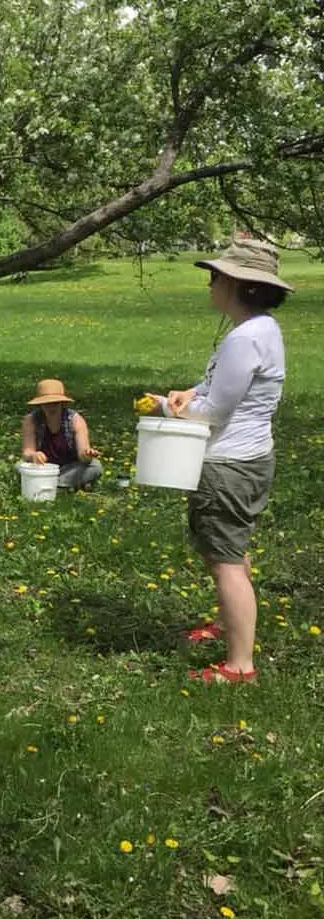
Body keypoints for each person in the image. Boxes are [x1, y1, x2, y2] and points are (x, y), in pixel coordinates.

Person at [147, 239, 291, 684]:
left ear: (240, 285)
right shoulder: (260, 329)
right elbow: (217, 388)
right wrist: (189, 392)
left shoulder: (245, 338)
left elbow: (215, 412)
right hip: (249, 458)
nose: (210, 284)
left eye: (216, 277)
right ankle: (229, 625)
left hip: (228, 466)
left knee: (225, 561)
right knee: (230, 551)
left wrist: (165, 407)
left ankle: (239, 665)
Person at [20, 378, 102, 489]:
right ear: (40, 404)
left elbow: (83, 452)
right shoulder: (31, 420)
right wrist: (33, 455)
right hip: (42, 468)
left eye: (55, 403)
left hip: (70, 467)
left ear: (62, 403)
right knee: (19, 466)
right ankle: (63, 484)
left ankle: (48, 484)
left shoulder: (75, 420)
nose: (51, 407)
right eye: (47, 404)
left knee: (95, 466)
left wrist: (87, 454)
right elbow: (27, 451)